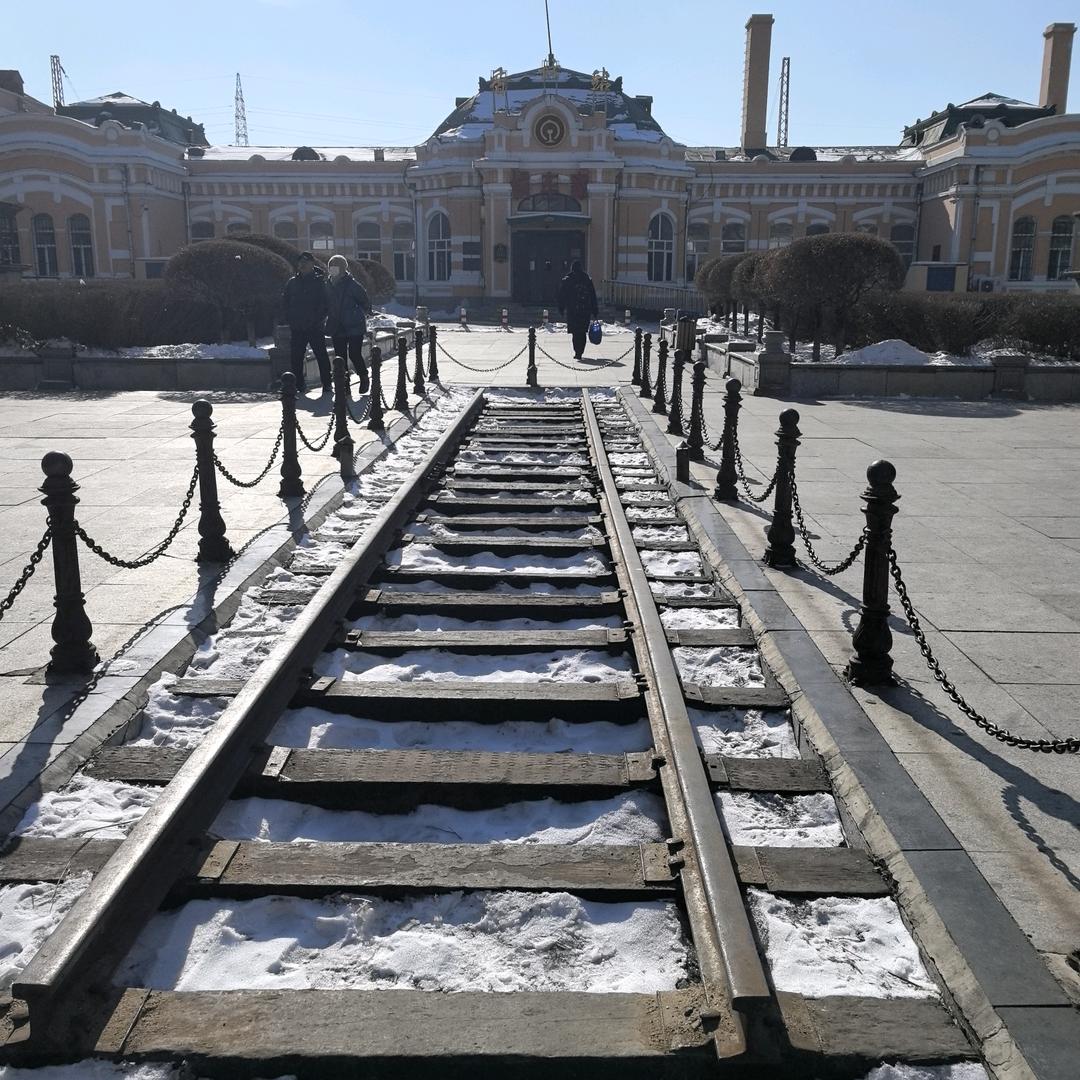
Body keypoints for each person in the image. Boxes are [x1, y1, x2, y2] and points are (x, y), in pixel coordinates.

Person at [282, 251, 331, 393]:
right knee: (296, 357)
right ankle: (299, 385)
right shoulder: (292, 283)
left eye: (306, 262)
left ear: (312, 264)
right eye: (301, 262)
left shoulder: (319, 282)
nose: (303, 265)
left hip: (315, 326)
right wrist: (290, 319)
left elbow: (326, 304)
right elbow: (285, 302)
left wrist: (318, 319)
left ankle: (327, 383)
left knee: (321, 355)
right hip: (297, 327)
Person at [325, 254, 372, 393]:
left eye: (335, 267)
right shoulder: (327, 285)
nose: (332, 270)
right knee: (340, 357)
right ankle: (344, 384)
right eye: (331, 267)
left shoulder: (352, 284)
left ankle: (363, 377)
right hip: (337, 325)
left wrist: (361, 312)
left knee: (354, 353)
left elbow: (364, 301)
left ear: (342, 268)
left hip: (354, 326)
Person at [557, 260, 599, 360]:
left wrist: (561, 308)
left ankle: (577, 352)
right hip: (585, 310)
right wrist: (595, 310)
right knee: (582, 331)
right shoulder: (587, 279)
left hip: (572, 311)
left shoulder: (568, 279)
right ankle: (581, 350)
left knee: (575, 333)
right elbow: (592, 295)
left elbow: (562, 295)